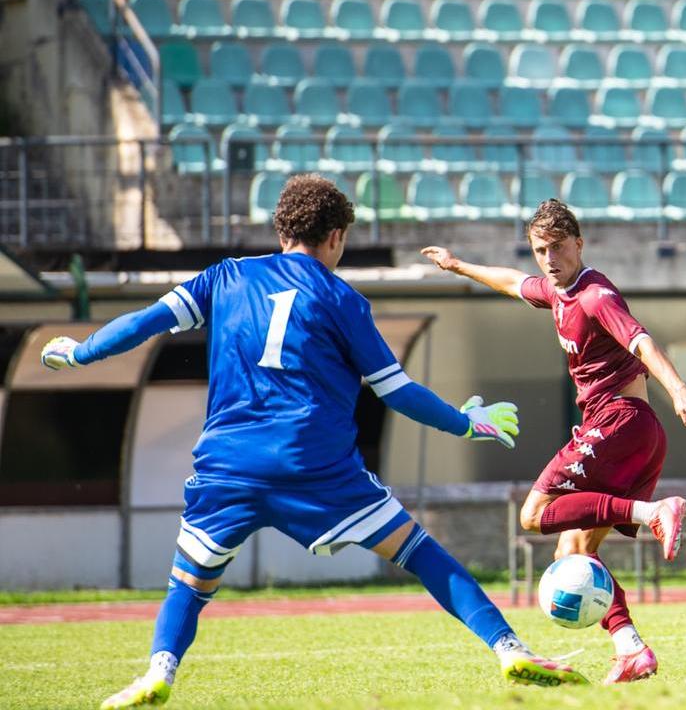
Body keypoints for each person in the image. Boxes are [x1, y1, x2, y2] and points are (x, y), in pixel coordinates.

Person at [40, 175, 586, 709]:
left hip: (229, 466)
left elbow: (146, 321)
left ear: (282, 233)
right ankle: (508, 648)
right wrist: (465, 423)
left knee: (188, 584)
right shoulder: (343, 301)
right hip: (316, 467)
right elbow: (398, 393)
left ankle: (159, 670)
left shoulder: (226, 277)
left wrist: (82, 351)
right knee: (420, 553)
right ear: (335, 238)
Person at [422, 198, 686, 684]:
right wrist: (457, 265)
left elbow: (640, 342)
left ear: (579, 243)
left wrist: (679, 388)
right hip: (636, 431)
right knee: (573, 552)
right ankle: (631, 648)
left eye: (558, 247)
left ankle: (653, 512)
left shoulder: (596, 296)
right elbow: (512, 281)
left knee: (533, 515)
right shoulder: (558, 291)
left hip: (619, 421)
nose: (549, 259)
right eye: (540, 250)